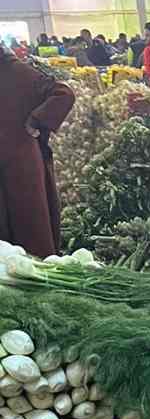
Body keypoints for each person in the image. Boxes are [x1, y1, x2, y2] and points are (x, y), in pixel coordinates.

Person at [0, 43, 75, 258]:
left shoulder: (18, 71)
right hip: (17, 157)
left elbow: (64, 93)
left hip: (20, 159)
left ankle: (38, 277)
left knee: (29, 222)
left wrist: (36, 120)